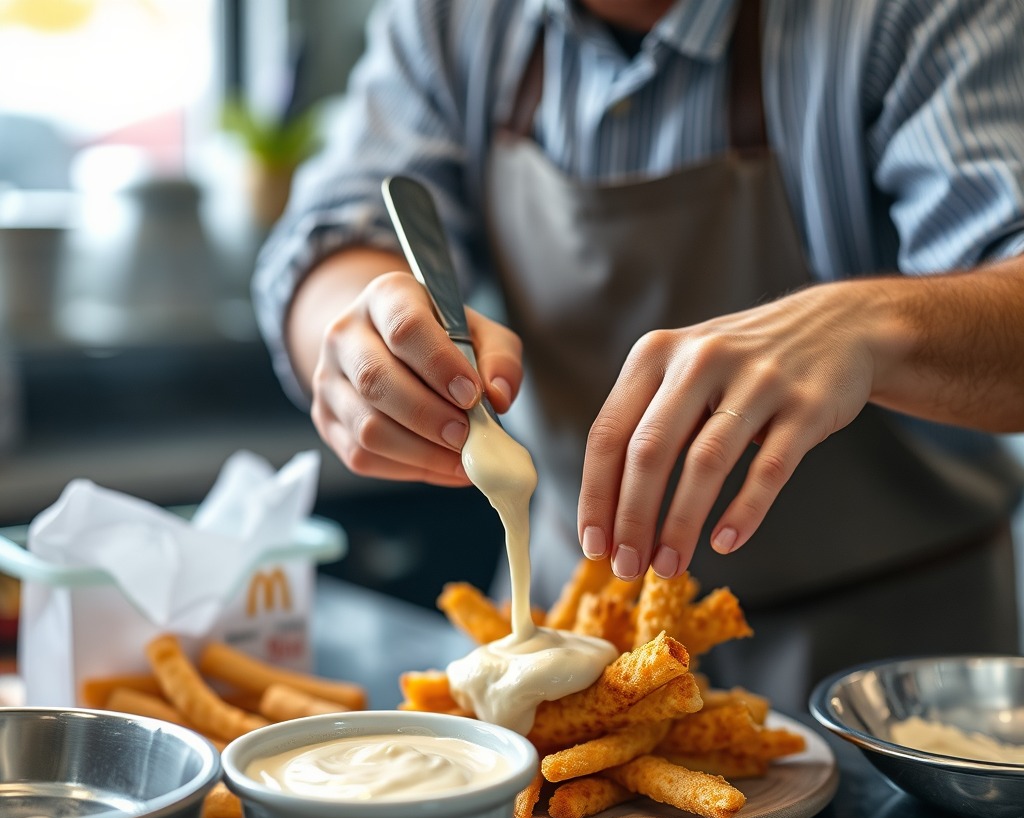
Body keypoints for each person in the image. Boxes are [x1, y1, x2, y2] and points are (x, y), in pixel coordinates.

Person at [253, 0, 1024, 710]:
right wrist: (359, 330)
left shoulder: (909, 17)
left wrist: (869, 325)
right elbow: (333, 232)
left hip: (899, 682)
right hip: (563, 641)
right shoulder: (455, 18)